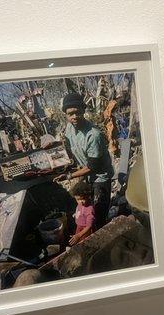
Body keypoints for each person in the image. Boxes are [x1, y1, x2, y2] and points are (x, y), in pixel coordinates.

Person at [54, 92, 113, 230]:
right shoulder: (69, 127)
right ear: (66, 115)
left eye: (77, 112)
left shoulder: (93, 135)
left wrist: (69, 176)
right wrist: (53, 146)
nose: (74, 117)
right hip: (85, 173)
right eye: (70, 114)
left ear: (83, 111)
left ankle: (100, 236)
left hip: (100, 177)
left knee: (98, 212)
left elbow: (92, 167)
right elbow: (67, 146)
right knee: (86, 207)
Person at [69, 181, 95, 245]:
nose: (81, 202)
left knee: (83, 242)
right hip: (79, 226)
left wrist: (79, 235)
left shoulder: (89, 209)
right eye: (78, 199)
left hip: (85, 230)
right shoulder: (81, 204)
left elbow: (89, 226)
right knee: (78, 240)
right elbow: (80, 209)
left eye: (83, 199)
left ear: (88, 196)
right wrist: (76, 214)